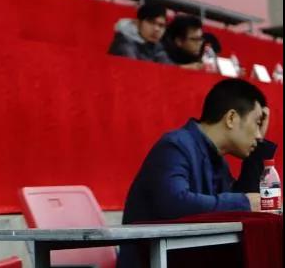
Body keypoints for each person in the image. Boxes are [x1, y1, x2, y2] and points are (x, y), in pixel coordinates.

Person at [118, 79, 277, 268]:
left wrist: (259, 150)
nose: (259, 135)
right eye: (257, 123)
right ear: (231, 118)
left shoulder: (218, 160)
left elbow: (246, 213)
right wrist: (243, 201)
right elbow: (175, 203)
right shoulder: (175, 145)